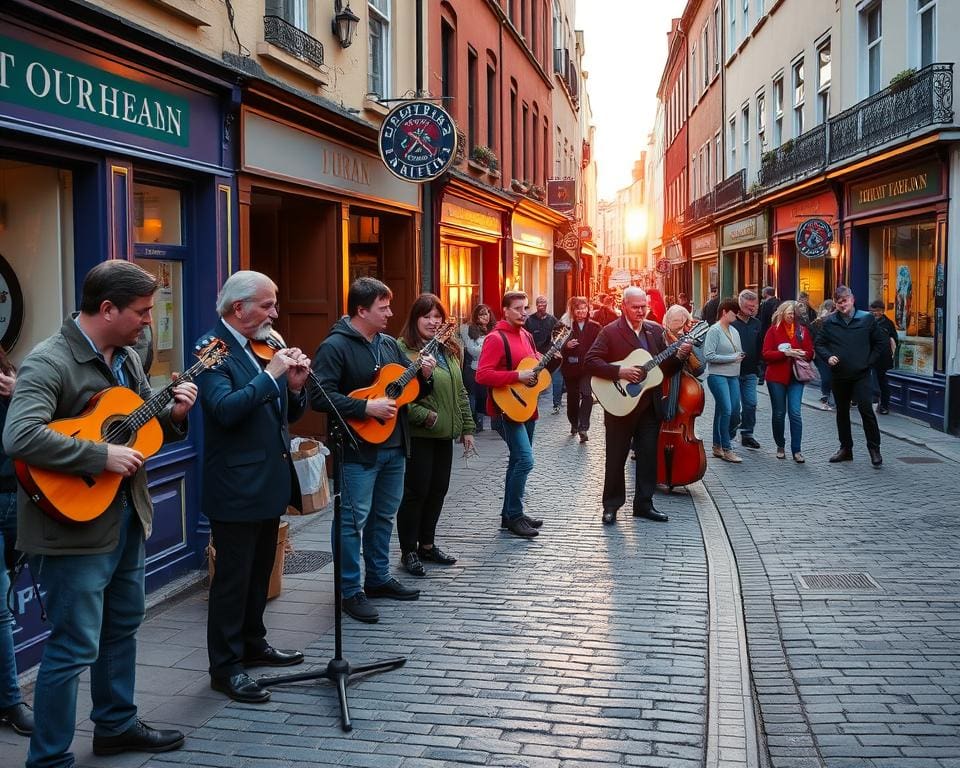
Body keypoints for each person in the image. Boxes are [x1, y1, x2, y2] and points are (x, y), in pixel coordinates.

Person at [3, 261, 197, 766]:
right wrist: (98, 456)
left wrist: (173, 413)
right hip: (71, 528)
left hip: (126, 514)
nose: (149, 322)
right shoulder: (48, 362)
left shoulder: (128, 359)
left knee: (122, 626)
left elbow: (134, 422)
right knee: (71, 647)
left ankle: (115, 725)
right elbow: (19, 436)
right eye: (141, 311)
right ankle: (48, 759)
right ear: (107, 309)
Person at [196, 270, 311, 704]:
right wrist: (270, 375)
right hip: (235, 485)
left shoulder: (262, 348)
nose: (274, 313)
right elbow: (224, 410)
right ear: (238, 307)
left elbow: (280, 414)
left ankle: (253, 642)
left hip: (268, 480)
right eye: (266, 304)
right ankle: (225, 667)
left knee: (261, 571)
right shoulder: (211, 350)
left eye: (274, 303)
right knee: (232, 580)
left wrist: (294, 387)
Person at [311, 278, 435, 623]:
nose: (390, 313)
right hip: (358, 450)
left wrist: (423, 377)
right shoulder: (334, 346)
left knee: (382, 517)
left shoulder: (387, 345)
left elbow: (407, 393)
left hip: (395, 447)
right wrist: (365, 409)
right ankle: (350, 591)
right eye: (383, 308)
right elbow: (319, 397)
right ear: (361, 310)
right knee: (352, 522)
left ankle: (378, 578)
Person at [585, 287, 691, 525]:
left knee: (648, 458)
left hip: (649, 407)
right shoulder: (610, 332)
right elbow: (590, 361)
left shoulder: (654, 331)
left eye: (644, 306)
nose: (641, 311)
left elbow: (663, 369)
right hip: (619, 406)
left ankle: (644, 504)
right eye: (635, 307)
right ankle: (611, 506)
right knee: (615, 457)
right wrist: (619, 371)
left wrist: (680, 356)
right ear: (623, 306)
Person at [396, 294, 475, 577]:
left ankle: (427, 545)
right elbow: (399, 396)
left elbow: (461, 391)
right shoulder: (403, 350)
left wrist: (467, 427)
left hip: (445, 433)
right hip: (420, 434)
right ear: (414, 319)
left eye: (437, 317)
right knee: (416, 492)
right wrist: (425, 417)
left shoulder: (448, 350)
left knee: (438, 490)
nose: (433, 322)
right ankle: (409, 551)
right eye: (426, 316)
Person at [476, 291, 557, 538]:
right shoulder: (495, 338)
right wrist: (516, 376)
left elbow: (533, 369)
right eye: (518, 308)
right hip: (504, 409)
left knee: (516, 461)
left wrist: (548, 361)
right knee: (525, 460)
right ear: (505, 311)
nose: (524, 313)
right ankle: (513, 515)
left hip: (526, 406)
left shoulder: (527, 335)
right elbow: (482, 375)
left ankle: (512, 514)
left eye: (525, 308)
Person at [814, 285, 886, 466]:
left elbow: (880, 343)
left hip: (861, 374)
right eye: (838, 303)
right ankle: (846, 449)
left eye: (845, 301)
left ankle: (874, 449)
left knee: (866, 410)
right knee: (842, 412)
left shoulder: (867, 319)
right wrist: (828, 356)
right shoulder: (830, 322)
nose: (842, 305)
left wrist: (869, 362)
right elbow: (819, 344)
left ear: (852, 299)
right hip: (839, 375)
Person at [0, 348, 32, 738]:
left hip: (23, 497)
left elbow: (39, 431)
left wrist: (18, 395)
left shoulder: (14, 374)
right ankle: (10, 700)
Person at [761, 301, 815, 463]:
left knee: (795, 413)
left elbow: (811, 353)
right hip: (776, 377)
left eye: (793, 314)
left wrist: (800, 353)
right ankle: (780, 445)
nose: (791, 316)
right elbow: (766, 354)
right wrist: (785, 354)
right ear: (782, 313)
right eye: (788, 313)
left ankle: (797, 450)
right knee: (779, 413)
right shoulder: (773, 330)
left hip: (796, 377)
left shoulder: (802, 331)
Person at [703, 298, 746, 463]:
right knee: (727, 409)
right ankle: (727, 448)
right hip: (717, 375)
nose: (736, 315)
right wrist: (731, 358)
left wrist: (739, 356)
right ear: (724, 312)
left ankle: (717, 444)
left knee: (732, 410)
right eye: (734, 312)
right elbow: (709, 355)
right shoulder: (714, 330)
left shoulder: (734, 331)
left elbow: (738, 351)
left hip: (733, 375)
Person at [560, 296, 600, 443]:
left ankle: (583, 427)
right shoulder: (566, 327)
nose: (582, 311)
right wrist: (566, 346)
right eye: (578, 308)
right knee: (573, 397)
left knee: (587, 395)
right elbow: (556, 346)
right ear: (573, 310)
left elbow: (602, 346)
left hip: (587, 368)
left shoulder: (595, 327)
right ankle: (573, 422)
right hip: (570, 368)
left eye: (584, 308)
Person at [730, 290, 762, 450]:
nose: (753, 310)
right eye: (749, 307)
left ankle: (747, 434)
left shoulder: (757, 323)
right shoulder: (731, 323)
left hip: (750, 372)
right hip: (733, 372)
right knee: (734, 407)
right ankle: (728, 435)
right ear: (741, 307)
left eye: (755, 306)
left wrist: (761, 367)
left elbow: (760, 346)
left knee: (751, 404)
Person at [524, 295, 562, 414]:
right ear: (536, 305)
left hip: (551, 356)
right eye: (539, 303)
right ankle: (533, 402)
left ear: (546, 305)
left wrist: (557, 350)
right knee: (535, 380)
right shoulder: (529, 320)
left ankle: (557, 404)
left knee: (557, 379)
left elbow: (560, 336)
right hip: (536, 357)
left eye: (544, 303)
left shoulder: (552, 320)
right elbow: (525, 338)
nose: (541, 305)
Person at [460, 303, 494, 432]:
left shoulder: (493, 329)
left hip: (489, 368)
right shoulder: (469, 329)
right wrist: (488, 348)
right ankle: (473, 423)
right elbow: (472, 350)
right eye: (482, 314)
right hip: (473, 368)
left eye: (487, 313)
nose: (485, 317)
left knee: (484, 396)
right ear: (476, 316)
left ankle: (481, 421)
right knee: (472, 395)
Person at [869, 299, 898, 415]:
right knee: (869, 379)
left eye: (878, 311)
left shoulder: (888, 323)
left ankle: (884, 405)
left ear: (882, 311)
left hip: (883, 358)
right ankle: (869, 400)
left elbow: (894, 339)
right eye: (874, 311)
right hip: (869, 356)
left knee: (882, 382)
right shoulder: (867, 321)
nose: (876, 313)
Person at [810, 299, 837, 410]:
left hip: (833, 353)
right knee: (826, 375)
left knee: (832, 376)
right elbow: (812, 339)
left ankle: (830, 397)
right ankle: (826, 394)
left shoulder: (836, 323)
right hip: (820, 354)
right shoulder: (816, 323)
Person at [757, 286, 780, 385]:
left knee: (764, 355)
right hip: (776, 332)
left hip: (765, 332)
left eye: (763, 291)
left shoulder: (765, 304)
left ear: (766, 293)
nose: (761, 293)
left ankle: (762, 377)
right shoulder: (778, 302)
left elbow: (761, 320)